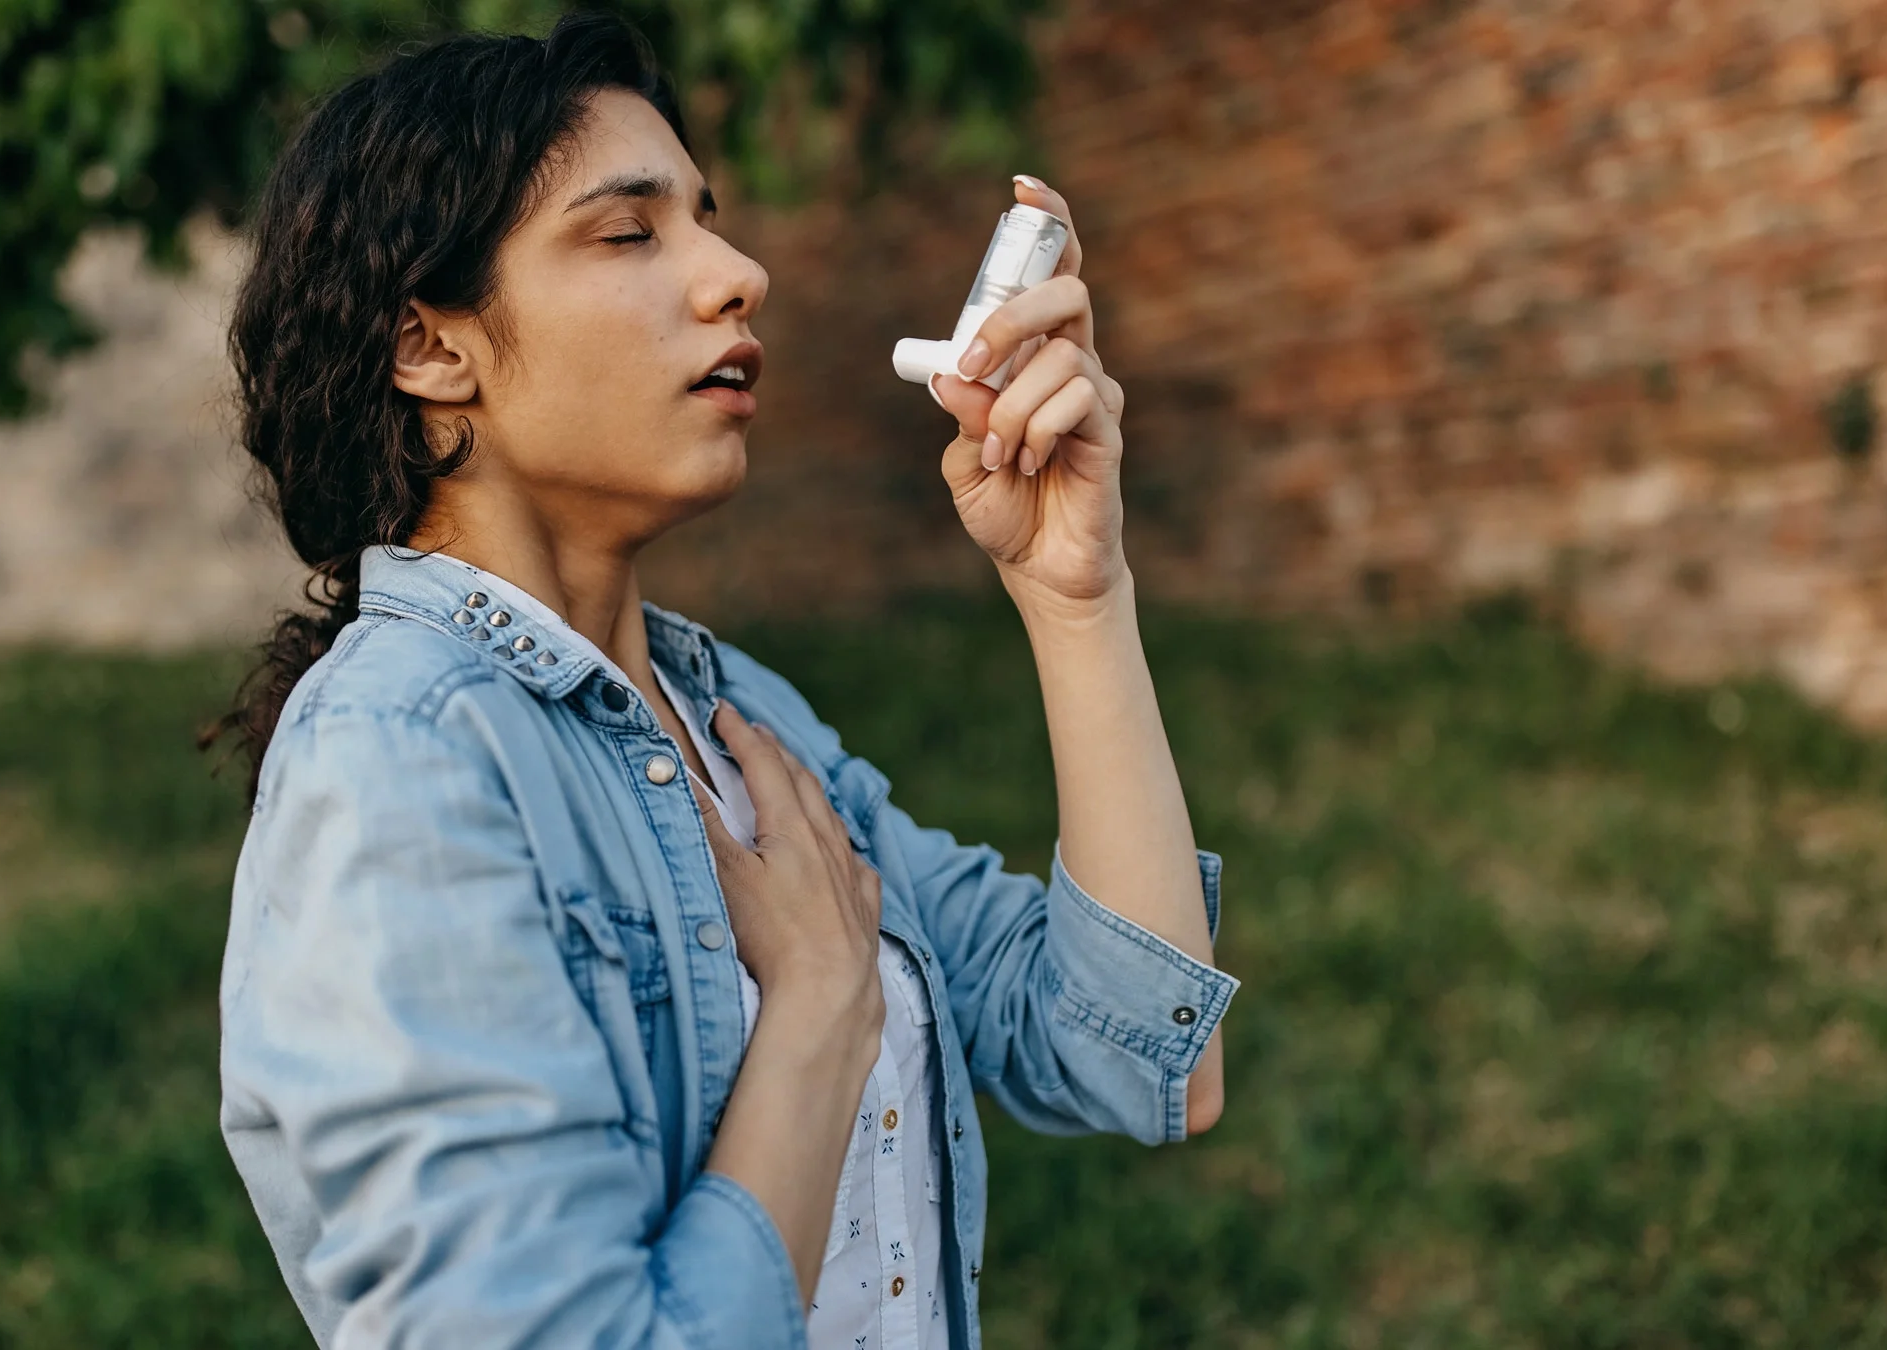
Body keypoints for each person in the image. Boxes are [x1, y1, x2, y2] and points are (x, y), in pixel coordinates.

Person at [205, 13, 1236, 1348]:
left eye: (707, 221)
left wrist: (1074, 597)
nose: (740, 273)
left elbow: (1137, 1054)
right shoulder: (401, 759)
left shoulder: (735, 716)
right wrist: (816, 1009)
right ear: (431, 347)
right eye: (628, 232)